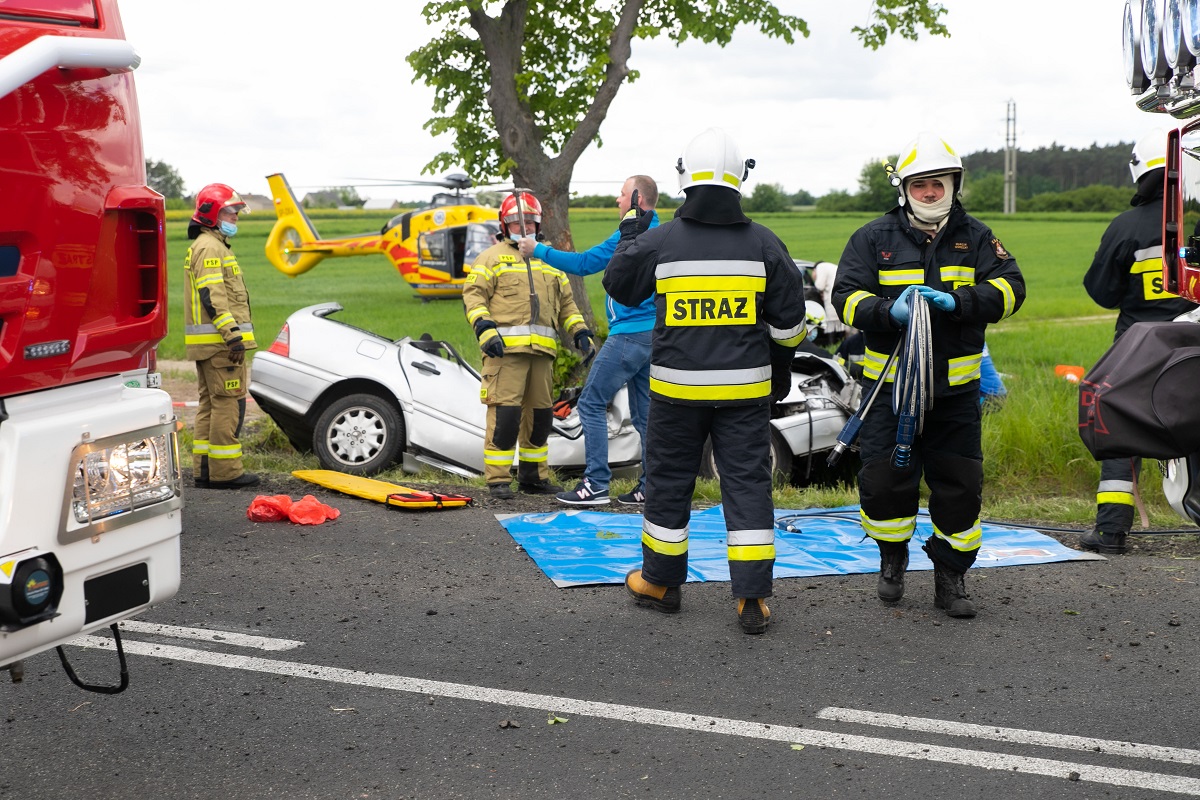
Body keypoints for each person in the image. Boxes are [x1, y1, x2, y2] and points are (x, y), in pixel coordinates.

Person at [604, 128, 807, 635]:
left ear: (683, 179)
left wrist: (631, 232)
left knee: (670, 484)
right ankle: (753, 599)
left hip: (676, 396)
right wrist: (779, 370)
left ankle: (661, 584)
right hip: (745, 397)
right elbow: (790, 324)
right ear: (741, 178)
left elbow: (619, 285)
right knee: (747, 486)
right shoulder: (764, 243)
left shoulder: (662, 239)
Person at [832, 132, 1026, 619]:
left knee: (960, 490)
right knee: (884, 484)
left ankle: (950, 577)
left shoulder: (978, 238)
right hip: (889, 393)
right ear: (905, 189)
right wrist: (885, 311)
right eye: (921, 185)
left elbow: (1011, 289)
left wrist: (960, 301)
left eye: (939, 184)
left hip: (955, 396)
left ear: (953, 186)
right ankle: (892, 559)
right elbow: (845, 297)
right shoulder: (872, 239)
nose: (931, 193)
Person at [1080, 131, 1199, 555]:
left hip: (1138, 354)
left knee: (1120, 431)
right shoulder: (1197, 224)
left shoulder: (1125, 227)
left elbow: (1101, 291)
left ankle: (1111, 532)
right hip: (1195, 351)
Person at [516, 176, 660, 506]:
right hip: (654, 336)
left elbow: (584, 264)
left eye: (623, 194)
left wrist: (537, 249)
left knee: (591, 402)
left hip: (629, 334)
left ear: (637, 198)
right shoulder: (661, 232)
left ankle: (595, 484)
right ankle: (651, 486)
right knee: (644, 417)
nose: (617, 200)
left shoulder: (632, 232)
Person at [463, 191, 594, 499]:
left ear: (539, 224)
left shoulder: (548, 260)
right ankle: (497, 480)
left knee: (540, 419)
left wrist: (580, 332)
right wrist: (485, 330)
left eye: (530, 222)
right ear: (503, 225)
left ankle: (533, 477)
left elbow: (567, 305)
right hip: (504, 354)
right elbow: (474, 296)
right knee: (505, 419)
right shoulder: (491, 258)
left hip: (542, 356)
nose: (524, 228)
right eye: (515, 222)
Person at [184, 184, 260, 489]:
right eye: (232, 212)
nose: (236, 218)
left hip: (208, 344)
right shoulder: (211, 248)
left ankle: (205, 471)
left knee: (210, 405)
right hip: (220, 345)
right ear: (213, 215)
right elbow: (212, 297)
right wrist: (233, 337)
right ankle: (226, 473)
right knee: (228, 405)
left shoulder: (207, 245)